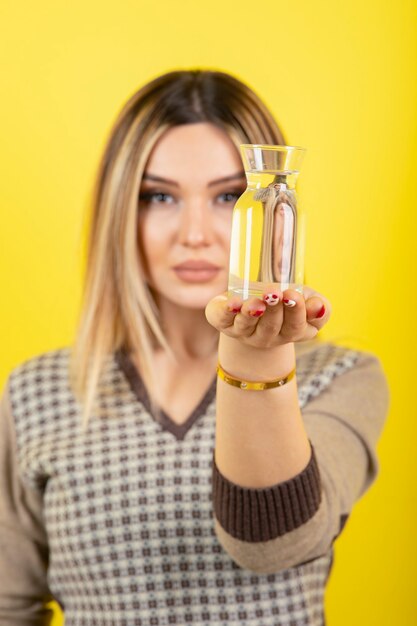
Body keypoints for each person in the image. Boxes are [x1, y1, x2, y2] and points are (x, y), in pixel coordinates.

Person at [0, 69, 390, 626]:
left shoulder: (340, 378)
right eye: (160, 196)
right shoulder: (36, 394)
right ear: (120, 211)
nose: (195, 234)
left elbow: (272, 544)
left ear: (274, 204)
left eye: (230, 196)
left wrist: (255, 356)